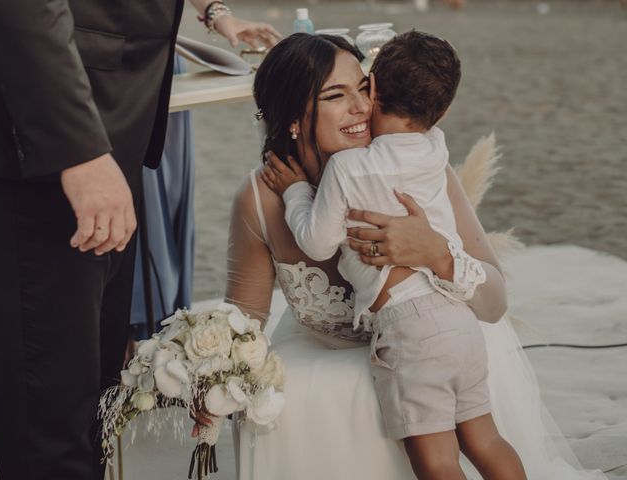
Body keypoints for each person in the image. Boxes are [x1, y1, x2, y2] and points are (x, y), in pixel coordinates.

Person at [195, 33, 605, 479]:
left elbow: (495, 304)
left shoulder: (415, 166)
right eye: (337, 95)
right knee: (291, 394)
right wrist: (213, 380)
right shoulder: (261, 196)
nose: (362, 106)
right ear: (294, 116)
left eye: (365, 87)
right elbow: (244, 318)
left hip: (433, 345)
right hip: (358, 351)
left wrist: (438, 254)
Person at [0, 1, 278, 480]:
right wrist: (78, 151)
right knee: (50, 422)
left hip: (114, 134)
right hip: (51, 152)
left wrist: (214, 11)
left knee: (92, 407)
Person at [260, 30, 525, 480]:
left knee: (436, 461)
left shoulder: (347, 167)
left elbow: (318, 242)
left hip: (410, 329)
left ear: (376, 90)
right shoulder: (435, 148)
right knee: (486, 439)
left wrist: (296, 193)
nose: (359, 104)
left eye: (364, 87)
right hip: (458, 321)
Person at [129, 5, 281, 340]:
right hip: (111, 63)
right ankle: (131, 328)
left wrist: (218, 15)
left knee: (166, 204)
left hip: (160, 57)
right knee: (136, 203)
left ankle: (157, 329)